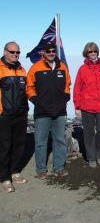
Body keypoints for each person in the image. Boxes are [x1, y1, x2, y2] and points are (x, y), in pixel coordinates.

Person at [27, 42, 71, 179]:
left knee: (59, 140)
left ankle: (59, 168)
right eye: (48, 51)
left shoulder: (62, 67)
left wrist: (66, 95)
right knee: (41, 141)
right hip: (42, 111)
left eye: (53, 50)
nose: (51, 53)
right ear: (43, 53)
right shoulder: (35, 68)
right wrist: (35, 100)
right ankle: (41, 170)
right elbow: (29, 87)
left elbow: (68, 84)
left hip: (59, 110)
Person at [0, 42, 29, 193]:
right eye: (12, 52)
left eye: (18, 52)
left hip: (20, 114)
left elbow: (26, 91)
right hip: (4, 116)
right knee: (4, 146)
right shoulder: (0, 69)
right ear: (5, 52)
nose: (15, 54)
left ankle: (15, 171)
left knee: (19, 144)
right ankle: (5, 178)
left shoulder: (22, 70)